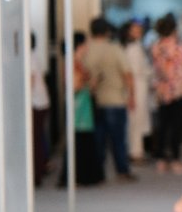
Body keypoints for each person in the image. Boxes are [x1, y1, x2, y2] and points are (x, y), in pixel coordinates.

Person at [81, 17, 137, 182]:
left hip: (94, 101)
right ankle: (122, 171)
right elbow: (127, 73)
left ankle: (98, 173)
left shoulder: (87, 50)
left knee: (98, 139)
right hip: (116, 100)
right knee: (118, 139)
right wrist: (131, 95)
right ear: (107, 31)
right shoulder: (114, 49)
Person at [150, 14, 182, 174]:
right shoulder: (180, 47)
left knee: (163, 125)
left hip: (162, 91)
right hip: (178, 90)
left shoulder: (155, 46)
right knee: (177, 125)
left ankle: (161, 159)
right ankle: (175, 160)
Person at [57, 32, 105, 187]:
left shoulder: (76, 62)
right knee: (79, 140)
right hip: (78, 107)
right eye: (85, 44)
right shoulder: (72, 63)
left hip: (82, 105)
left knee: (82, 140)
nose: (87, 47)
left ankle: (83, 175)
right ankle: (78, 176)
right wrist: (86, 81)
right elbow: (74, 86)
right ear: (79, 46)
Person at [122, 20, 152, 162]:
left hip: (140, 87)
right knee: (136, 121)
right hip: (136, 88)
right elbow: (132, 73)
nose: (138, 30)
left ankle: (137, 150)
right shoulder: (132, 49)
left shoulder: (137, 47)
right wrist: (132, 94)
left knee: (138, 121)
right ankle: (135, 152)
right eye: (135, 29)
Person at [29, 32, 51, 186]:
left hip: (34, 103)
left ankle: (35, 174)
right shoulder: (34, 56)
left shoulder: (28, 57)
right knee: (38, 138)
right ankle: (40, 168)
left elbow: (30, 81)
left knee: (34, 140)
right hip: (40, 102)